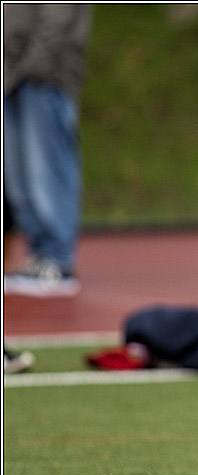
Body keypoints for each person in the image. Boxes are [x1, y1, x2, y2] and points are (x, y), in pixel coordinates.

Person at [3, 4, 90, 297]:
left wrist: (33, 67)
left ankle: (57, 260)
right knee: (19, 175)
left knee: (46, 168)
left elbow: (58, 17)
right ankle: (39, 255)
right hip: (12, 77)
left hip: (45, 77)